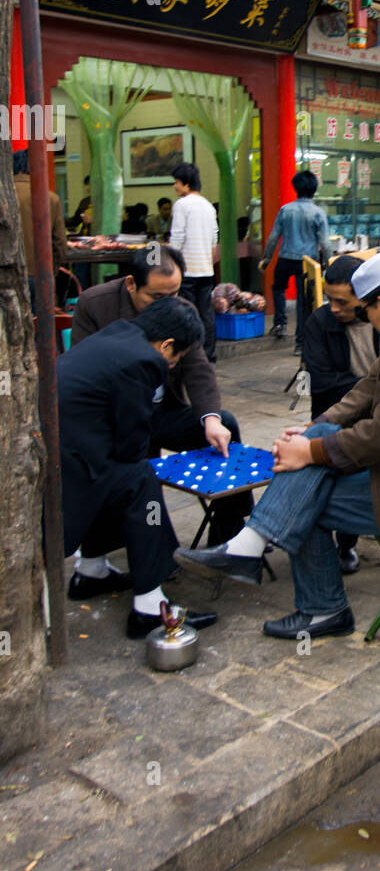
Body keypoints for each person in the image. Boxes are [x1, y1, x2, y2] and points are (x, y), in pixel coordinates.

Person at [172, 253, 380, 640]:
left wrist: (310, 451)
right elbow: (362, 392)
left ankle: (311, 599)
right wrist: (311, 429)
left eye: (365, 310)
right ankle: (260, 556)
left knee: (305, 496)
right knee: (308, 470)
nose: (361, 318)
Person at [57, 295, 218, 640]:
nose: (174, 365)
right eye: (177, 357)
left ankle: (91, 569)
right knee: (141, 481)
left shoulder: (118, 333)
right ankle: (149, 605)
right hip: (71, 461)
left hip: (71, 448)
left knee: (122, 473)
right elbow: (132, 444)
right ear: (167, 345)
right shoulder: (143, 360)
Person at [70, 244, 252, 544]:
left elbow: (198, 368)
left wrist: (211, 418)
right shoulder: (96, 304)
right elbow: (85, 371)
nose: (167, 304)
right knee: (136, 469)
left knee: (226, 427)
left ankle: (229, 535)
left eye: (174, 294)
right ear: (131, 284)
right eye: (156, 297)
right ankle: (155, 549)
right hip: (115, 419)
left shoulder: (182, 310)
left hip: (162, 410)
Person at [301, 254, 380, 573]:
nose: (334, 308)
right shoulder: (319, 323)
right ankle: (340, 543)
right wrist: (368, 390)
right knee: (315, 448)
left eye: (342, 302)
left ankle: (354, 538)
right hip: (336, 408)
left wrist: (374, 392)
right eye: (329, 299)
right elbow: (320, 381)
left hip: (378, 412)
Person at [259, 170, 330, 353]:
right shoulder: (318, 213)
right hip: (307, 262)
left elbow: (274, 237)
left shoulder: (286, 210)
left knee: (278, 288)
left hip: (285, 258)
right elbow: (325, 243)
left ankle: (280, 324)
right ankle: (300, 344)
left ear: (295, 188)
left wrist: (266, 258)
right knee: (302, 303)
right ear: (314, 189)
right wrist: (328, 264)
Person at [169, 162, 218, 363]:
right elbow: (215, 237)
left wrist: (171, 263)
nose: (174, 186)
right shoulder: (208, 205)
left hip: (187, 270)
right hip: (206, 270)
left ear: (186, 184)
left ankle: (190, 356)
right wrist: (207, 259)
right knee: (206, 314)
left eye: (177, 182)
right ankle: (209, 356)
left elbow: (177, 237)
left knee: (187, 314)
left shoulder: (181, 205)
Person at [12, 150, 67, 310]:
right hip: (40, 274)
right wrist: (50, 271)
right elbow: (60, 243)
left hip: (8, 277)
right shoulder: (51, 198)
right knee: (42, 326)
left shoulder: (4, 196)